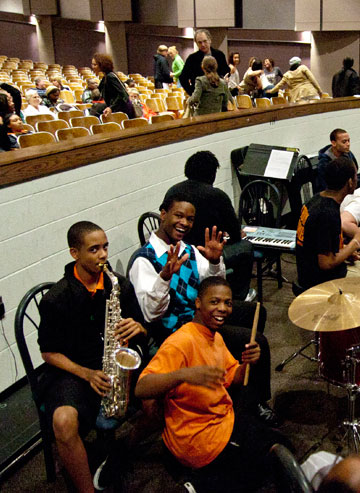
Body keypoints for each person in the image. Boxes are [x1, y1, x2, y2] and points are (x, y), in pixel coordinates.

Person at [128, 193, 278, 424]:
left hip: (199, 314)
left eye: (190, 219)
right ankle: (254, 402)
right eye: (179, 216)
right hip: (178, 330)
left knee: (256, 311)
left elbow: (212, 287)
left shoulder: (187, 248)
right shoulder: (143, 260)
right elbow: (151, 314)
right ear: (163, 215)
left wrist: (216, 261)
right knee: (257, 340)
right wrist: (165, 277)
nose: (185, 223)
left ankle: (234, 377)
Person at [135, 276, 288, 492]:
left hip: (221, 420)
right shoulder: (181, 342)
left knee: (276, 448)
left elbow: (233, 377)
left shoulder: (215, 337)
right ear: (198, 303)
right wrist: (184, 374)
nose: (223, 308)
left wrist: (248, 363)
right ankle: (200, 484)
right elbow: (141, 388)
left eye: (228, 303)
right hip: (198, 436)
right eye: (214, 302)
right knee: (274, 459)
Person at [37, 221, 148, 493]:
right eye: (94, 249)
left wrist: (139, 327)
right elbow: (48, 352)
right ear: (74, 253)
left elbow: (143, 328)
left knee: (164, 388)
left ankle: (122, 453)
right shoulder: (56, 298)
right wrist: (86, 374)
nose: (103, 255)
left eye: (105, 247)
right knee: (63, 422)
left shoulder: (117, 284)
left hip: (115, 364)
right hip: (74, 371)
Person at [164, 151, 253, 301]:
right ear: (212, 174)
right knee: (246, 247)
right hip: (204, 254)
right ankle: (240, 295)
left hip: (175, 250)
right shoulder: (217, 195)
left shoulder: (173, 191)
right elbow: (235, 233)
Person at [296, 156, 360, 290]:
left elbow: (319, 244)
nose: (356, 180)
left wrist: (346, 252)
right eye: (355, 176)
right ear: (349, 182)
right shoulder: (328, 213)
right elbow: (326, 263)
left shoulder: (316, 200)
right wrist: (356, 243)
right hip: (319, 281)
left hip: (306, 272)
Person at [178, 29, 228, 95]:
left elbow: (226, 72)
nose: (203, 45)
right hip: (200, 95)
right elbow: (183, 78)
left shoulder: (219, 55)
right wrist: (191, 92)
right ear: (196, 43)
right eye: (200, 42)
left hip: (217, 95)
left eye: (205, 41)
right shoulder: (192, 59)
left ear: (210, 40)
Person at [316, 128, 359, 192]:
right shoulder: (324, 163)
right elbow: (324, 187)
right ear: (334, 143)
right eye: (344, 142)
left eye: (348, 141)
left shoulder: (348, 154)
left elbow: (355, 173)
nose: (348, 144)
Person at [92, 53, 133, 118]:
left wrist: (111, 107)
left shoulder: (110, 76)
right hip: (117, 108)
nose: (93, 67)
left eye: (95, 64)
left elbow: (123, 94)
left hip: (122, 110)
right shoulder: (105, 77)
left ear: (102, 65)